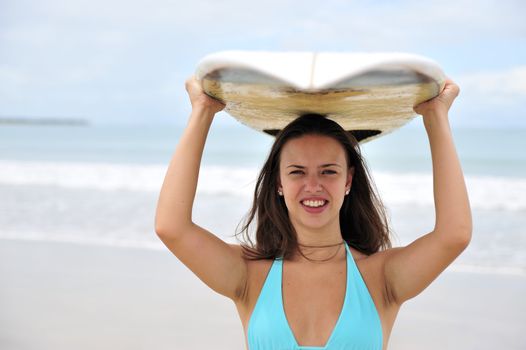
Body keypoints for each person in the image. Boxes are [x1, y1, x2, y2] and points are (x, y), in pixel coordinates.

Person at [155, 76, 471, 349]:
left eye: (328, 172)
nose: (313, 185)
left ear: (348, 180)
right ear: (278, 182)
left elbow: (453, 235)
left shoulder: (381, 277)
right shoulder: (250, 276)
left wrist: (435, 115)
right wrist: (202, 111)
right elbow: (171, 227)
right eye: (297, 172)